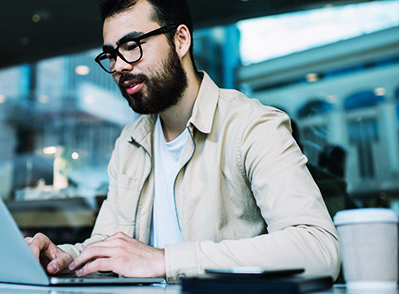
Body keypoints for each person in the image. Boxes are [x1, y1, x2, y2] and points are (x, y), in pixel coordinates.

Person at [25, 0, 341, 283]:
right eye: (110, 55)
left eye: (132, 45)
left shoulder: (252, 126)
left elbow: (318, 249)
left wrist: (164, 260)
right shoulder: (130, 141)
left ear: (181, 40)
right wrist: (63, 258)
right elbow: (110, 246)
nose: (119, 65)